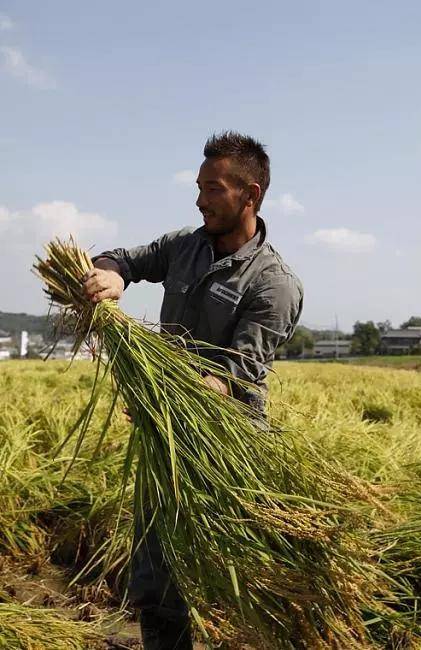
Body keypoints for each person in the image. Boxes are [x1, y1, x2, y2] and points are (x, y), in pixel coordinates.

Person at [83, 131, 303, 650]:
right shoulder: (186, 246)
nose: (200, 199)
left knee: (239, 585)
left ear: (249, 195)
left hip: (225, 451)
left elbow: (238, 372)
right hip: (167, 444)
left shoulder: (274, 283)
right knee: (157, 585)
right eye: (199, 186)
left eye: (213, 188)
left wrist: (175, 392)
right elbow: (126, 258)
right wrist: (111, 277)